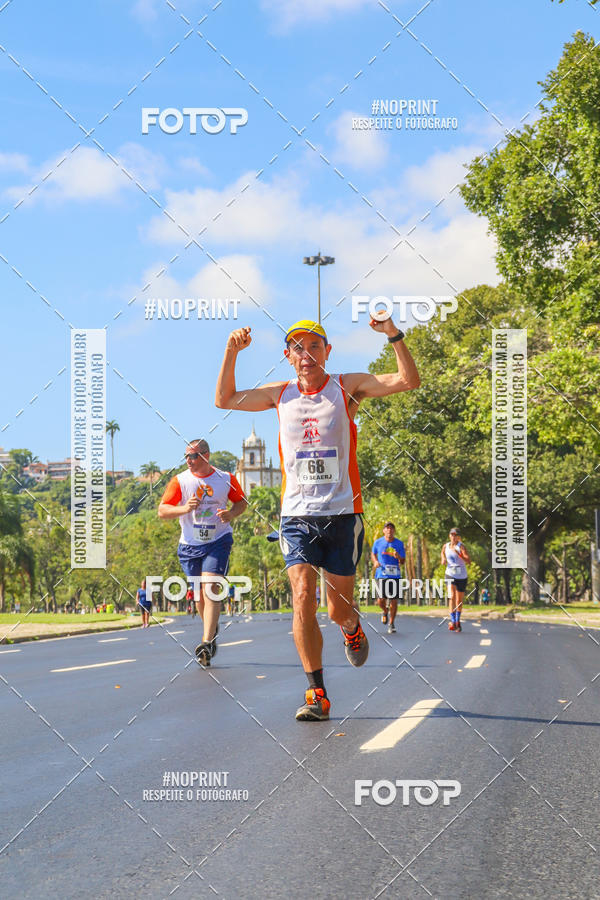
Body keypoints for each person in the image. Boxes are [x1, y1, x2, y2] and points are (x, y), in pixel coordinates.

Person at [215, 316, 420, 720]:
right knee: (302, 595)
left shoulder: (348, 386)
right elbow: (225, 399)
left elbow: (406, 380)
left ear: (328, 352)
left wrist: (393, 335)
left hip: (343, 514)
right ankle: (317, 694)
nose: (306, 354)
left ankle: (352, 627)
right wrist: (231, 352)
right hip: (296, 516)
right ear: (288, 357)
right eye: (297, 348)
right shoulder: (280, 394)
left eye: (314, 346)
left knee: (337, 610)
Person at [158, 439, 248, 666]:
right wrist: (185, 508)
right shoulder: (180, 481)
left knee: (211, 587)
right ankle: (211, 626)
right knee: (199, 594)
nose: (189, 460)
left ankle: (206, 641)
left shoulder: (225, 479)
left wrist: (231, 514)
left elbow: (241, 502)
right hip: (190, 544)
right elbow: (162, 510)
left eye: (194, 456)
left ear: (207, 455)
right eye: (186, 456)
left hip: (218, 540)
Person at [371, 522, 405, 634]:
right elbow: (373, 554)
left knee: (394, 601)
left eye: (391, 528)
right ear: (384, 531)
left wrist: (398, 556)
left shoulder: (399, 544)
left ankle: (391, 623)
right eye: (387, 528)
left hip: (395, 575)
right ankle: (385, 611)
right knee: (380, 600)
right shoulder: (378, 542)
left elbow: (403, 561)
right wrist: (375, 561)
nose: (389, 530)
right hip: (381, 574)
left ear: (394, 531)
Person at [441, 527, 471, 632]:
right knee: (452, 597)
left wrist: (459, 554)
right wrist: (443, 559)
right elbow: (442, 553)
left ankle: (458, 621)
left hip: (462, 576)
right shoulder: (446, 546)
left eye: (456, 535)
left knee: (459, 600)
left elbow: (468, 561)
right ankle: (453, 621)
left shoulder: (461, 547)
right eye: (452, 535)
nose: (453, 537)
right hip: (450, 574)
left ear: (458, 537)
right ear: (449, 536)